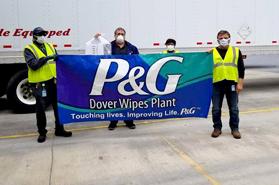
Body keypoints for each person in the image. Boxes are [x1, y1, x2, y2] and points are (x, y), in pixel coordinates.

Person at [24, 27, 72, 143]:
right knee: (40, 108)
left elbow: (57, 61)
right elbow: (33, 65)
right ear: (34, 36)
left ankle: (59, 129)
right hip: (39, 83)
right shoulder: (29, 49)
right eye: (40, 34)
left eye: (44, 34)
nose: (43, 37)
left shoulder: (50, 46)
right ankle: (42, 132)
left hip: (53, 81)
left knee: (57, 106)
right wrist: (48, 58)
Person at [95, 27, 138, 130]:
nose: (120, 35)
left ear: (124, 35)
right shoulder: (108, 47)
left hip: (128, 79)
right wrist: (96, 40)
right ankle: (113, 121)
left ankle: (129, 121)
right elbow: (100, 57)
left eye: (122, 34)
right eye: (118, 33)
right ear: (114, 35)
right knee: (113, 100)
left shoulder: (132, 48)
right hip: (112, 78)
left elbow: (138, 61)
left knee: (128, 100)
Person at [211, 30, 245, 139]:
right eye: (220, 38)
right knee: (216, 108)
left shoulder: (236, 51)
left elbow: (241, 68)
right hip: (217, 84)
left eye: (225, 37)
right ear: (217, 39)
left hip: (232, 84)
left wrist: (240, 83)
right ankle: (217, 128)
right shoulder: (212, 52)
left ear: (229, 38)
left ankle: (235, 129)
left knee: (234, 108)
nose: (223, 40)